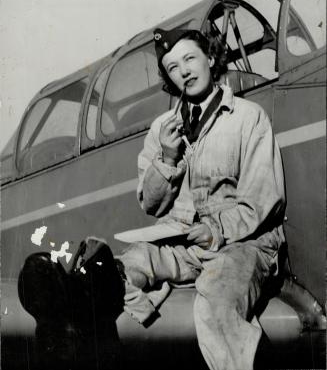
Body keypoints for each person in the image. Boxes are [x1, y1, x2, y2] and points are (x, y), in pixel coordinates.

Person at [18, 27, 286, 370]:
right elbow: (151, 204)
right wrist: (168, 158)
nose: (184, 71)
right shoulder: (162, 129)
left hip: (243, 243)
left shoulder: (249, 118)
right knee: (105, 276)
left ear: (212, 58)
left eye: (190, 59)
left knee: (216, 306)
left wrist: (216, 230)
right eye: (173, 67)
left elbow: (263, 201)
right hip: (182, 244)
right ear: (169, 78)